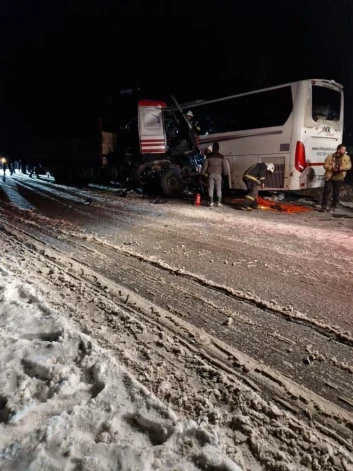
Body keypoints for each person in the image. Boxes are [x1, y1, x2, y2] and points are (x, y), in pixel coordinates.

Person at [321, 144, 351, 212]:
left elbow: (349, 166)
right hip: (330, 176)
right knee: (326, 191)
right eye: (343, 149)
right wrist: (331, 168)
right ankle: (323, 206)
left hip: (339, 177)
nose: (344, 151)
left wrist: (343, 167)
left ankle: (333, 206)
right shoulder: (330, 156)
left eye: (345, 149)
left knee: (336, 193)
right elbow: (325, 165)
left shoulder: (347, 157)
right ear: (338, 150)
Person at [201, 142, 227, 207]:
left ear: (212, 148)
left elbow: (204, 166)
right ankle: (218, 202)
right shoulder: (221, 157)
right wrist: (225, 173)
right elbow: (224, 166)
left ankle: (211, 202)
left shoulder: (208, 156)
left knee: (210, 188)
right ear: (218, 148)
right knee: (218, 188)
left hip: (210, 174)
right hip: (218, 175)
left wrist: (202, 173)